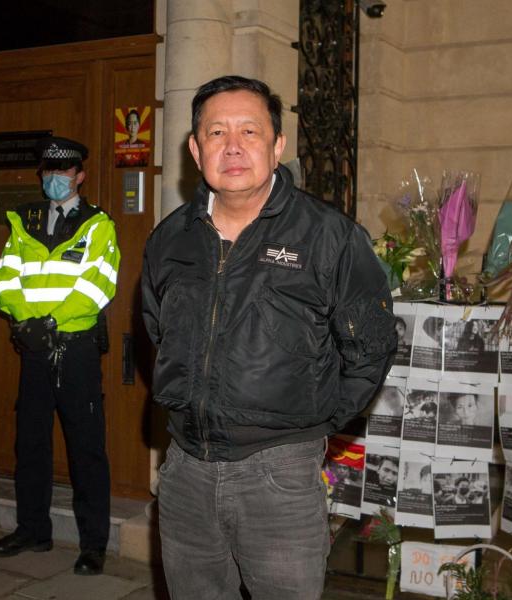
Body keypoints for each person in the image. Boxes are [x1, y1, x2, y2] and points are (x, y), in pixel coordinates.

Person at [141, 75, 395, 599]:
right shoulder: (170, 239)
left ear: (277, 145)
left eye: (249, 131)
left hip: (279, 477)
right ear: (195, 149)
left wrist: (316, 421)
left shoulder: (328, 236)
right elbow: (153, 330)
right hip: (186, 470)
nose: (233, 147)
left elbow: (371, 348)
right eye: (216, 133)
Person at [0, 136, 120, 576]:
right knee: (30, 444)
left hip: (75, 350)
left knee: (86, 449)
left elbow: (97, 285)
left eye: (64, 171)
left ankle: (93, 544)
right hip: (33, 349)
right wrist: (25, 322)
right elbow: (7, 276)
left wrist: (50, 325)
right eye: (48, 171)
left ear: (80, 176)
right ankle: (32, 530)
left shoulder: (97, 224)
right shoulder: (24, 221)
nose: (55, 179)